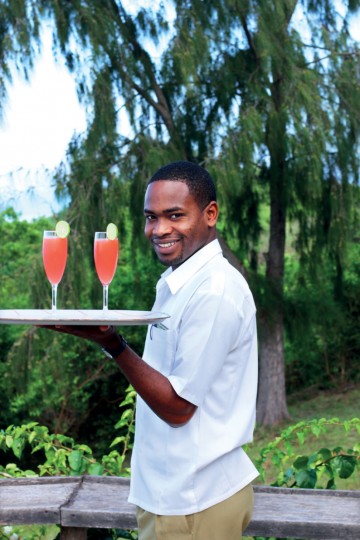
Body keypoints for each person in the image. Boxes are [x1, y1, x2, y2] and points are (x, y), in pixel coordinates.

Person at [46, 161, 259, 539]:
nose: (159, 229)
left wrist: (113, 344)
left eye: (174, 215)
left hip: (195, 503)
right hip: (173, 497)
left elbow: (178, 407)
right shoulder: (180, 280)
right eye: (151, 217)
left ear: (211, 214)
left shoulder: (214, 292)